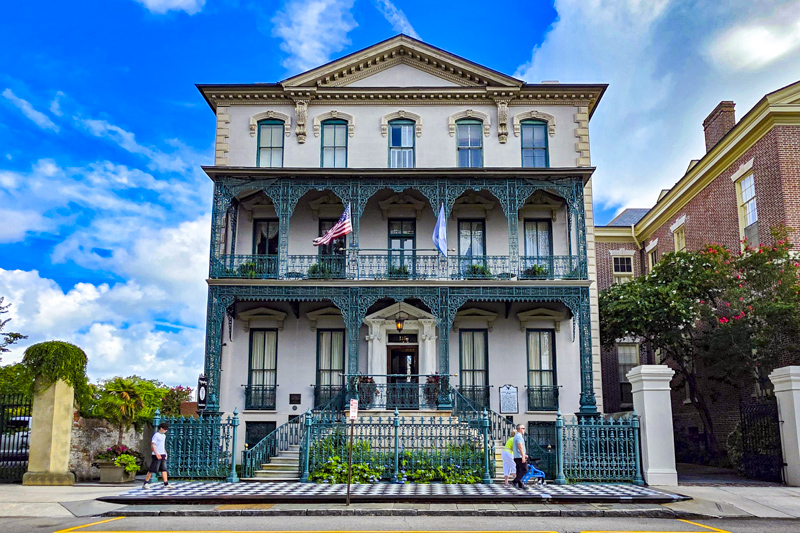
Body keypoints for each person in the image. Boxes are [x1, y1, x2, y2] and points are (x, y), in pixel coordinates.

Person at [142, 422, 170, 489]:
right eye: (164, 429)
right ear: (161, 428)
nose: (166, 430)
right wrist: (156, 453)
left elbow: (162, 445)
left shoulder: (164, 436)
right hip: (156, 454)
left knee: (164, 469)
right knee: (152, 469)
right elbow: (153, 445)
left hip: (162, 453)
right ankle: (146, 483)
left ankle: (166, 483)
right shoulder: (156, 435)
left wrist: (165, 453)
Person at [512, 424, 528, 489]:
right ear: (519, 429)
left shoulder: (516, 436)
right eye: (523, 428)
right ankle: (515, 481)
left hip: (516, 456)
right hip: (519, 457)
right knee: (525, 470)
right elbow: (520, 447)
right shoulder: (519, 436)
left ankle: (520, 485)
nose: (524, 430)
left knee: (519, 470)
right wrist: (523, 456)